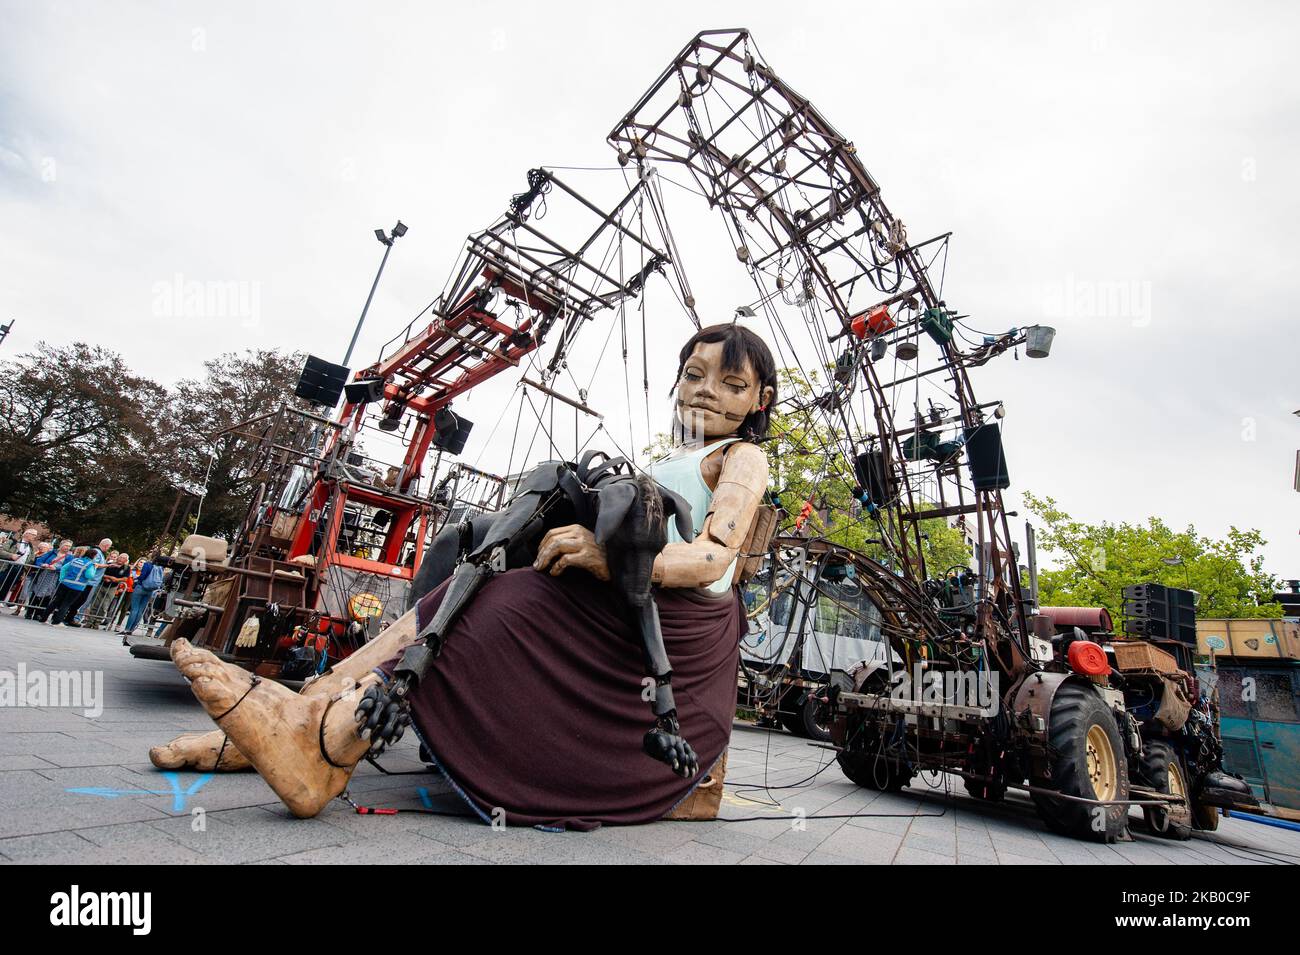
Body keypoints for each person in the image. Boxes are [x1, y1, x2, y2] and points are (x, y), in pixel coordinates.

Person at [152, 323, 776, 828]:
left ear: (758, 400)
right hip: (621, 597)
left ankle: (323, 750)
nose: (705, 392)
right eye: (694, 376)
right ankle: (302, 709)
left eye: (730, 383)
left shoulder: (742, 458)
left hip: (673, 618)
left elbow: (711, 559)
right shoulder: (672, 459)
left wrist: (609, 557)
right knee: (459, 581)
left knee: (504, 605)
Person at [47, 547, 101, 627]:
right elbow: (89, 575)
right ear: (93, 556)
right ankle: (57, 622)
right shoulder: (90, 564)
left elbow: (64, 568)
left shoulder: (75, 560)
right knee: (66, 604)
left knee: (56, 601)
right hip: (77, 586)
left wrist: (62, 578)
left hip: (65, 583)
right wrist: (95, 568)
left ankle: (43, 618)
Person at [27, 540, 71, 621]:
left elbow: (68, 568)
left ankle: (39, 613)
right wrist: (42, 564)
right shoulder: (51, 552)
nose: (67, 548)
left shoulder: (69, 557)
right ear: (61, 545)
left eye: (69, 546)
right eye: (66, 545)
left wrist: (56, 568)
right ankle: (29, 612)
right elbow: (39, 560)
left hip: (56, 577)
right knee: (36, 591)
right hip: (44, 574)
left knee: (48, 594)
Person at [122, 553, 164, 635]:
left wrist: (136, 580)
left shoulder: (147, 565)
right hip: (150, 590)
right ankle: (131, 630)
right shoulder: (160, 568)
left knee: (134, 609)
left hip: (141, 587)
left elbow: (142, 576)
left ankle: (127, 629)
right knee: (140, 610)